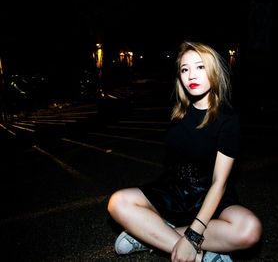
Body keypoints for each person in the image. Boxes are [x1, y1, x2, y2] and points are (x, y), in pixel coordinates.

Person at [107, 41, 262, 262]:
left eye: (200, 67)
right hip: (173, 192)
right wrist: (190, 244)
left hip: (210, 197)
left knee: (250, 229)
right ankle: (197, 255)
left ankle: (148, 235)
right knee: (117, 202)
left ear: (214, 71)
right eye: (185, 69)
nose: (191, 75)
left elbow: (219, 182)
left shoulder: (228, 120)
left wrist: (193, 234)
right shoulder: (179, 113)